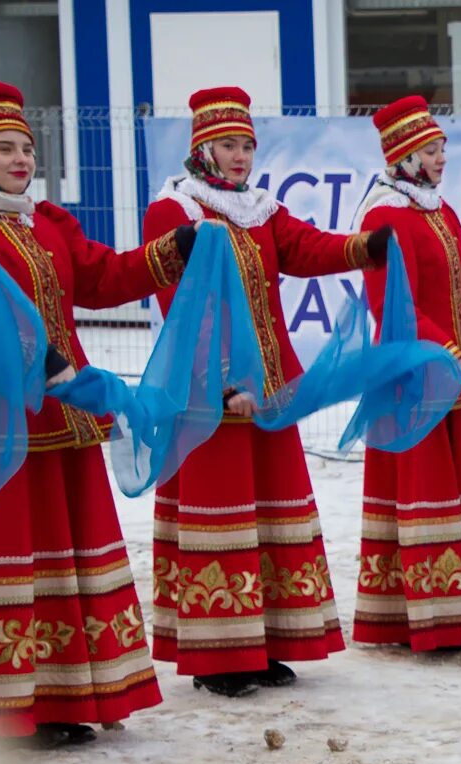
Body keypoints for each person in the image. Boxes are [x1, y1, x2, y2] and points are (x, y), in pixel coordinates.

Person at [142, 86, 389, 697]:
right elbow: (184, 309)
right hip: (211, 394)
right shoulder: (176, 213)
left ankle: (264, 642)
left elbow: (305, 248)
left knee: (270, 516)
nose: (240, 157)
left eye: (247, 145)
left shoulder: (259, 208)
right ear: (201, 148)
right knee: (222, 517)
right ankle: (218, 657)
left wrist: (364, 247)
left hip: (272, 389)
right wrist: (223, 381)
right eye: (227, 145)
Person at [0, 82, 192, 746]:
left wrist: (170, 253)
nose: (20, 159)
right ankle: (13, 711)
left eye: (26, 147)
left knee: (68, 558)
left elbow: (102, 278)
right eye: (3, 148)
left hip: (65, 414)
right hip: (4, 426)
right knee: (14, 555)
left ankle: (70, 696)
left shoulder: (47, 221)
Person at [351, 96, 461, 649]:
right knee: (424, 491)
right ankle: (428, 617)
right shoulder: (382, 215)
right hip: (412, 376)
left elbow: (458, 293)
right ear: (403, 155)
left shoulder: (438, 210)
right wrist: (445, 345)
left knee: (459, 490)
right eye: (430, 148)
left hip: (454, 373)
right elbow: (390, 305)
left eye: (442, 146)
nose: (442, 157)